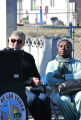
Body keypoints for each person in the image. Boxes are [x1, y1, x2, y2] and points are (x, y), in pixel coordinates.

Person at [4, 30, 51, 120]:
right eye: (13, 41)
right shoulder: (5, 56)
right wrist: (29, 80)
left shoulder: (28, 57)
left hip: (30, 87)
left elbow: (36, 75)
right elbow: (8, 77)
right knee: (32, 99)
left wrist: (36, 80)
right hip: (15, 88)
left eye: (19, 41)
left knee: (45, 98)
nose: (16, 43)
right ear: (10, 41)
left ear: (23, 43)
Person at [46, 36, 81, 120]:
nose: (63, 48)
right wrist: (73, 78)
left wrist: (63, 77)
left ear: (71, 49)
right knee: (64, 100)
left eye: (66, 46)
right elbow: (50, 80)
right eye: (61, 46)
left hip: (76, 90)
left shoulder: (77, 63)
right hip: (58, 92)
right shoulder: (51, 64)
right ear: (57, 48)